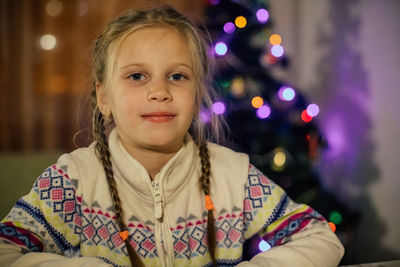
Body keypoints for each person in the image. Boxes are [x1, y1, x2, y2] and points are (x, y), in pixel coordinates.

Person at [0, 5, 344, 267]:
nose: (160, 91)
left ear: (197, 96)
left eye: (177, 76)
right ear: (104, 98)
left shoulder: (233, 176)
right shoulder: (73, 180)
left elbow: (320, 237)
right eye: (137, 76)